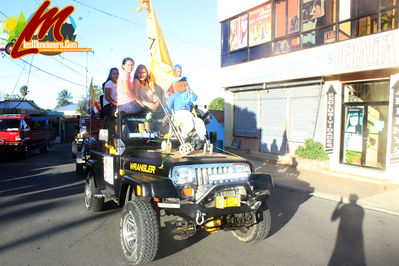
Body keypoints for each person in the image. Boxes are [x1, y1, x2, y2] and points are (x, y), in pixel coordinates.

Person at [164, 76, 206, 142]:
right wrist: (166, 116)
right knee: (189, 122)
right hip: (179, 113)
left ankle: (202, 138)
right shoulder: (173, 96)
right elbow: (168, 107)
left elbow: (195, 98)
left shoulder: (187, 94)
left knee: (199, 121)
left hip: (189, 113)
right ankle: (184, 135)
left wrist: (190, 90)